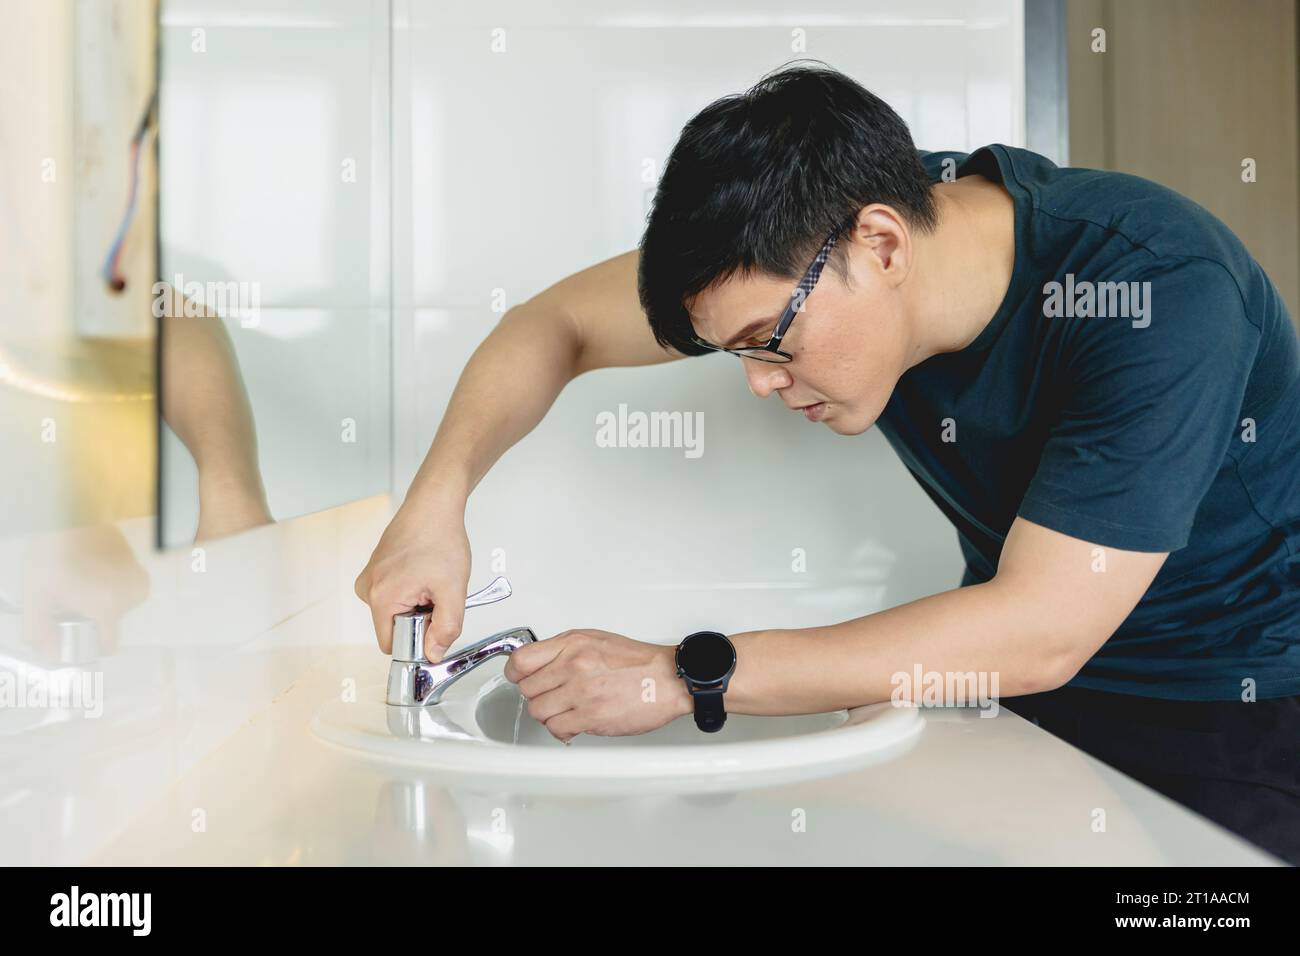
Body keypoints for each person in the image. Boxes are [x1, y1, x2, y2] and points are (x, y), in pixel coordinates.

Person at [355, 62, 1300, 864]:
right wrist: (434, 505)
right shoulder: (823, 226)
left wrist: (687, 674)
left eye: (769, 342)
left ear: (881, 245)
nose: (761, 385)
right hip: (1003, 691)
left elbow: (1044, 631)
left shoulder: (1155, 289)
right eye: (737, 353)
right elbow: (552, 324)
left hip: (1235, 708)